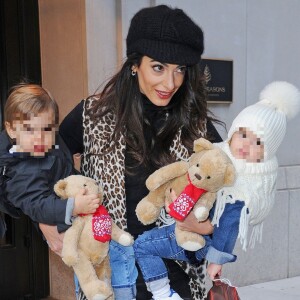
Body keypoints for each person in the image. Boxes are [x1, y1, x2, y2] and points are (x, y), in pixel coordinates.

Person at [40, 5, 223, 300]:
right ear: (135, 64)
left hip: (176, 278)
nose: (170, 83)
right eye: (159, 67)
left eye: (180, 70)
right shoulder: (93, 115)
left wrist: (207, 225)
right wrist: (46, 220)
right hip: (109, 276)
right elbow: (41, 165)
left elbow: (230, 194)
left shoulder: (196, 125)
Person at [133, 81, 300, 300]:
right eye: (243, 135)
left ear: (266, 152)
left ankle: (164, 295)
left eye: (256, 142)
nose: (245, 145)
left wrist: (215, 260)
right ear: (233, 132)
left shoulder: (244, 187)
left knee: (142, 245)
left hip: (197, 238)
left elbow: (229, 224)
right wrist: (172, 196)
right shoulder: (220, 155)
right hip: (190, 228)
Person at [0, 83, 100, 236]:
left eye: (46, 129)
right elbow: (36, 205)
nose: (39, 137)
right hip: (64, 225)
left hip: (77, 211)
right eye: (29, 130)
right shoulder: (19, 169)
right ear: (11, 130)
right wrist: (73, 206)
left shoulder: (46, 146)